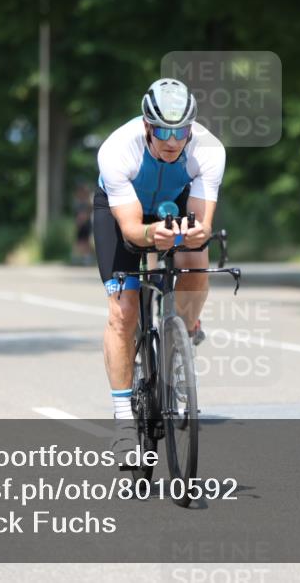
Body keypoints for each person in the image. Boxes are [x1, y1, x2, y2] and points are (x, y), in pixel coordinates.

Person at [94, 78, 226, 458]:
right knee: (123, 311)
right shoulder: (119, 149)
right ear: (147, 125)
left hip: (177, 202)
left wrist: (190, 236)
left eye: (181, 130)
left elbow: (201, 224)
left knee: (195, 260)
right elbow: (134, 231)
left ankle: (182, 337)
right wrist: (154, 235)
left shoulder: (209, 150)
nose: (172, 140)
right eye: (163, 130)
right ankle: (122, 419)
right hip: (124, 210)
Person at [71, 183, 93, 266]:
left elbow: (89, 211)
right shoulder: (77, 201)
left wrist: (83, 218)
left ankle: (87, 258)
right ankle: (79, 257)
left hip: (86, 224)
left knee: (85, 241)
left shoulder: (87, 201)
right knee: (79, 241)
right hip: (80, 224)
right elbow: (76, 213)